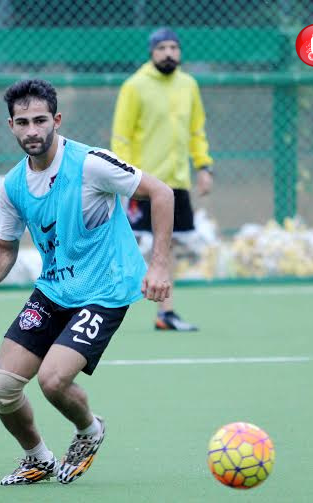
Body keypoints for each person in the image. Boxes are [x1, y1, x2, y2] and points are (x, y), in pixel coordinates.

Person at [0, 79, 173, 486]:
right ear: (11, 126)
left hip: (105, 289)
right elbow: (5, 250)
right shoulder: (13, 186)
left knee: (53, 380)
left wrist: (159, 265)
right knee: (3, 388)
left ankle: (90, 430)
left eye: (40, 120)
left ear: (56, 120)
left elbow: (161, 194)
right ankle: (37, 458)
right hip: (55, 289)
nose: (32, 130)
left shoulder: (91, 163)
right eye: (22, 122)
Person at [111, 27, 214, 332]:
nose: (169, 53)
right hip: (142, 183)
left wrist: (204, 167)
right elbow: (122, 136)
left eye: (173, 47)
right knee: (136, 245)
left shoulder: (189, 86)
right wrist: (122, 177)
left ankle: (165, 313)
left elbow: (197, 131)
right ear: (152, 52)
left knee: (164, 246)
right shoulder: (135, 86)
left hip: (176, 183)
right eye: (162, 48)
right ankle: (101, 302)